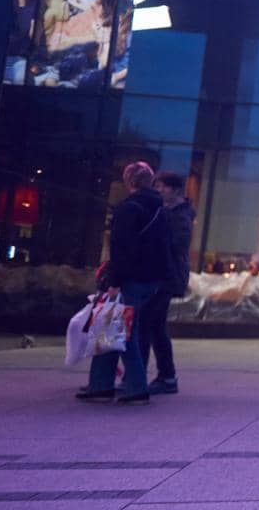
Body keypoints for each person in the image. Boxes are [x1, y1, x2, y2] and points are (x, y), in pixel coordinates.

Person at [77, 162, 174, 406]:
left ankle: (134, 388)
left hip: (130, 278)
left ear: (129, 181)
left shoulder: (129, 209)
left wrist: (114, 281)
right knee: (112, 328)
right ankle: (102, 385)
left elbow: (122, 249)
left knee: (120, 331)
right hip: (152, 280)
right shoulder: (160, 210)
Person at [137, 171, 194, 395]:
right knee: (155, 325)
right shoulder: (170, 212)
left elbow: (176, 245)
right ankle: (165, 376)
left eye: (161, 187)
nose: (158, 190)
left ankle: (149, 374)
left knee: (148, 323)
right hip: (165, 274)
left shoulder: (179, 216)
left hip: (167, 276)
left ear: (174, 190)